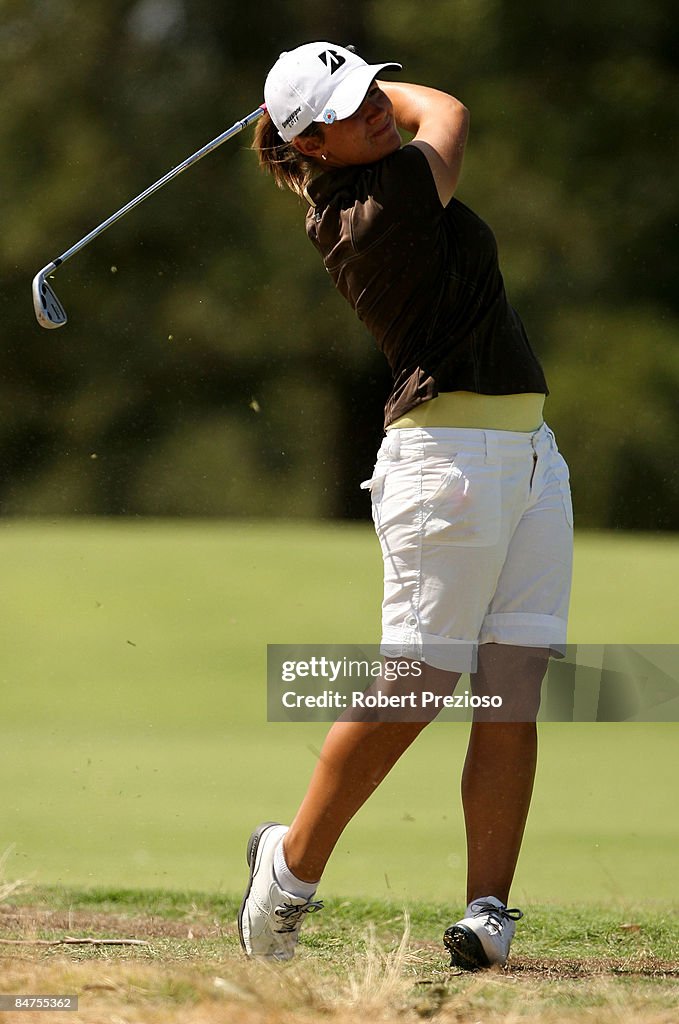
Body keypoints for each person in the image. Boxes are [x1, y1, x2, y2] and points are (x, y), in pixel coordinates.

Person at [238, 41, 573, 971]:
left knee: (511, 690)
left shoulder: (376, 175)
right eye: (347, 107)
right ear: (314, 144)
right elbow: (449, 112)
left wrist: (337, 92)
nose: (374, 109)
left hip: (528, 457)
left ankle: (488, 909)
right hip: (445, 463)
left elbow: (423, 119)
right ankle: (286, 872)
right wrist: (382, 86)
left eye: (369, 89)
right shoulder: (374, 208)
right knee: (416, 685)